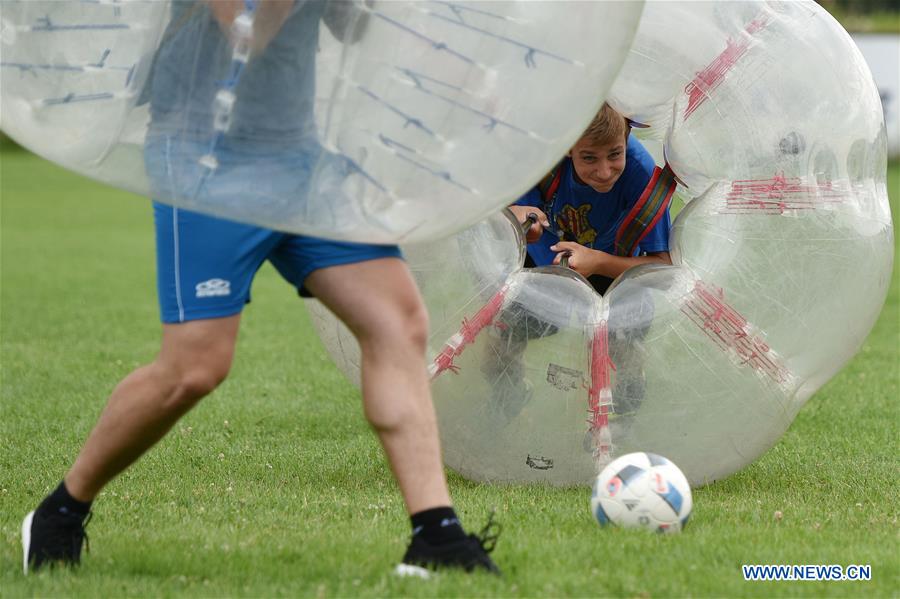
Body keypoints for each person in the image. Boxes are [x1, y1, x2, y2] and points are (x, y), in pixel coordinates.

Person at [22, 0, 499, 577]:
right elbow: (250, 28)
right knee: (195, 367)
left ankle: (438, 538)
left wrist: (464, 74)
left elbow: (365, 26)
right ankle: (60, 512)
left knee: (397, 322)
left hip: (297, 158)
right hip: (204, 159)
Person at [489, 103, 676, 423]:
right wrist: (517, 221)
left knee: (621, 350)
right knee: (501, 342)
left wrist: (598, 262)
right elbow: (499, 213)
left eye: (614, 154)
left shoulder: (641, 174)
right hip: (549, 266)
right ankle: (510, 396)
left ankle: (623, 416)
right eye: (589, 157)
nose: (604, 171)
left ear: (628, 134)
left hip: (615, 267)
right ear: (567, 148)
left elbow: (663, 267)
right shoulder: (543, 158)